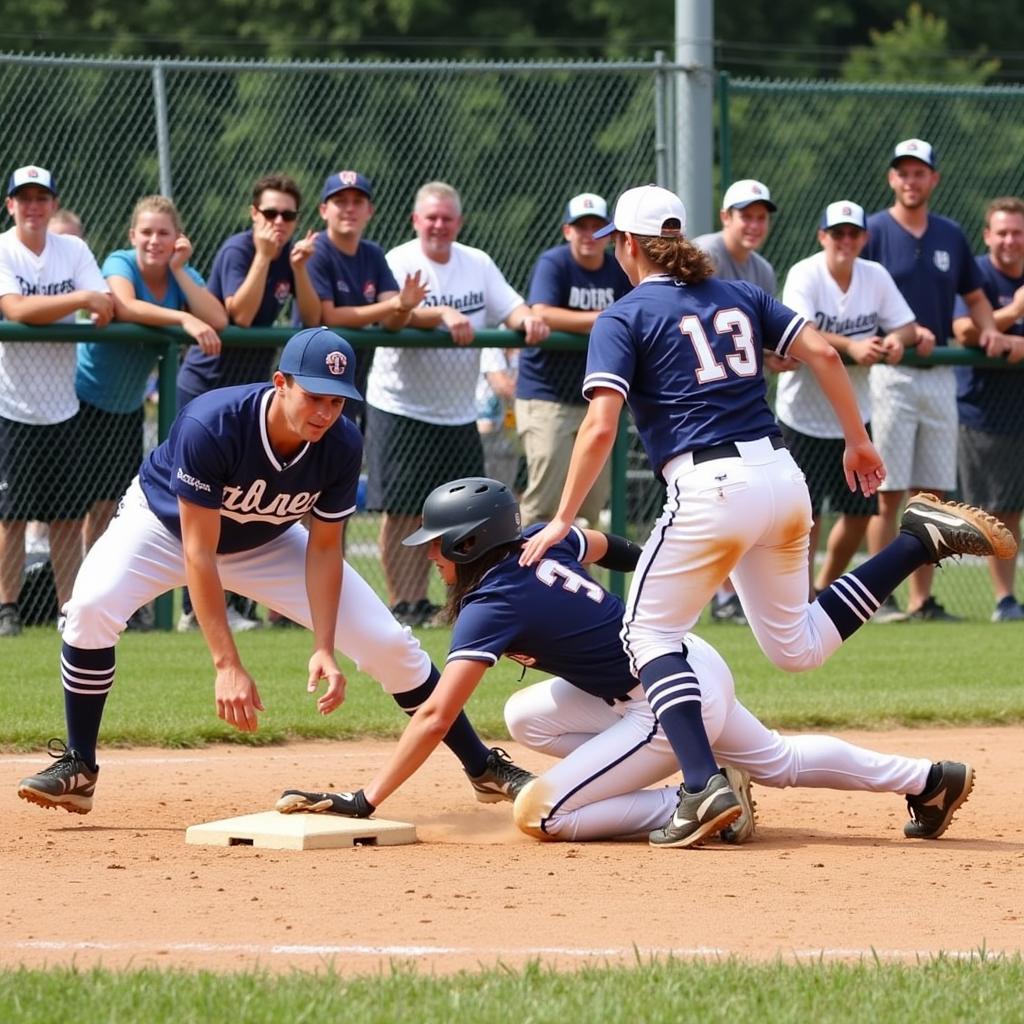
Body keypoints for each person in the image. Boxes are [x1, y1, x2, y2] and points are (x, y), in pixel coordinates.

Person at [518, 183, 1016, 846]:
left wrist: (560, 518)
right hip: (781, 478)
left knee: (646, 635)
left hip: (709, 486)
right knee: (799, 646)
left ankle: (700, 788)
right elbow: (821, 352)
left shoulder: (625, 314)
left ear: (626, 246)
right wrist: (858, 440)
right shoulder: (738, 292)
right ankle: (915, 544)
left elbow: (601, 426)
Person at [277, 477, 976, 848]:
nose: (430, 553)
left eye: (439, 543)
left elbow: (435, 712)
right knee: (528, 714)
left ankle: (694, 802)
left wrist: (366, 800)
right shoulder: (538, 545)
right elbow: (605, 545)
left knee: (538, 815)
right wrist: (660, 581)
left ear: (465, 548)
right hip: (684, 666)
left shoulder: (491, 604)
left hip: (663, 697)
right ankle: (929, 779)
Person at [16, 328, 533, 814]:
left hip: (269, 539)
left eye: (337, 400)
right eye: (315, 395)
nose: (326, 412)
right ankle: (79, 765)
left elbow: (326, 550)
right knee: (89, 608)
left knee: (390, 645)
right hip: (165, 529)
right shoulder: (212, 423)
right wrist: (227, 664)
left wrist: (325, 647)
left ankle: (483, 767)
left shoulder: (341, 444)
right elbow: (201, 555)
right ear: (280, 383)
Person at [364, 181, 549, 628]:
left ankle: (452, 603)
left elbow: (512, 307)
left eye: (447, 218)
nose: (439, 226)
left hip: (459, 411)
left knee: (462, 514)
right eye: (431, 217)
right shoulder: (400, 260)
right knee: (404, 510)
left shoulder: (477, 263)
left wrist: (529, 321)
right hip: (401, 405)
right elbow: (392, 315)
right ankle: (404, 603)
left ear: (458, 223)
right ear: (415, 220)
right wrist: (442, 314)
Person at [863, 139, 1011, 622]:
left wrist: (988, 329)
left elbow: (974, 295)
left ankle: (922, 600)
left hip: (940, 373)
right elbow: (859, 299)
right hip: (891, 372)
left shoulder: (950, 233)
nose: (911, 180)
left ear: (934, 180)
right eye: (903, 172)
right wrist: (896, 334)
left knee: (931, 497)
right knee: (889, 492)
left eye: (919, 172)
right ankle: (878, 598)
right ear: (891, 179)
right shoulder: (874, 231)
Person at [175, 173, 319, 633]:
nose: (279, 222)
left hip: (250, 394)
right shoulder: (240, 250)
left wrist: (297, 269)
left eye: (288, 215)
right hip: (207, 388)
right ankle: (192, 608)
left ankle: (237, 603)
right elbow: (239, 312)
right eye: (270, 213)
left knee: (243, 497)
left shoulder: (292, 258)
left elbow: (312, 321)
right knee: (201, 499)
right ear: (254, 214)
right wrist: (263, 255)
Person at [777, 201, 916, 595]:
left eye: (853, 233)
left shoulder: (874, 276)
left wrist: (894, 340)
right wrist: (853, 346)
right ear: (823, 237)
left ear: (864, 238)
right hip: (801, 416)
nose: (846, 240)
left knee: (858, 513)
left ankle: (824, 588)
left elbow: (906, 327)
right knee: (804, 516)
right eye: (837, 233)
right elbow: (801, 330)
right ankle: (800, 597)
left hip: (853, 418)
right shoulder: (805, 273)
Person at [0, 165, 113, 638]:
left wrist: (82, 297)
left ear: (53, 204)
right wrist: (78, 298)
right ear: (10, 205)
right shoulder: (4, 249)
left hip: (63, 407)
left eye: (41, 197)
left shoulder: (74, 250)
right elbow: (16, 309)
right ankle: (7, 609)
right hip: (12, 406)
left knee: (69, 516)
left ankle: (70, 607)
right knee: (11, 518)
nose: (32, 206)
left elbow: (104, 306)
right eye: (23, 198)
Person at [83, 195, 228, 550]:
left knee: (116, 506)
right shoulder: (120, 261)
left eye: (164, 233)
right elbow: (127, 306)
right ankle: (74, 595)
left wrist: (179, 269)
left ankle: (120, 598)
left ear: (178, 238)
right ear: (132, 235)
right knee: (83, 508)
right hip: (85, 399)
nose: (154, 240)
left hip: (128, 407)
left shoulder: (182, 274)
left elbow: (219, 318)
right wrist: (182, 318)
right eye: (146, 232)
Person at [517, 193, 632, 527]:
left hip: (597, 399)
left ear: (610, 235)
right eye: (581, 226)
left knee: (589, 511)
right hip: (547, 395)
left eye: (598, 227)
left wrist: (604, 319)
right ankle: (521, 575)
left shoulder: (617, 269)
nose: (589, 235)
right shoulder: (554, 263)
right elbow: (542, 312)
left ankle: (577, 579)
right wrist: (606, 317)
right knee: (544, 504)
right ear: (567, 231)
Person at [693, 179, 779, 623]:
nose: (754, 223)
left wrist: (774, 354)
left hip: (739, 403)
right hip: (700, 402)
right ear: (725, 217)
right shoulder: (704, 254)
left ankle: (733, 596)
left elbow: (758, 340)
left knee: (737, 502)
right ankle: (720, 595)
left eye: (761, 215)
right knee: (715, 503)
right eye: (745, 214)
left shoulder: (761, 270)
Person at [306, 170, 428, 423]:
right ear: (323, 210)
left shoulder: (372, 253)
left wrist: (403, 308)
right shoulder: (316, 250)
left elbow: (392, 323)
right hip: (313, 377)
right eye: (340, 201)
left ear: (369, 211)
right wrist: (395, 304)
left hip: (354, 376)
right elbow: (330, 316)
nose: (350, 209)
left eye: (358, 202)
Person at [951, 196, 1024, 622]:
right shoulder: (975, 273)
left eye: (1017, 232)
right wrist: (1013, 312)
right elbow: (961, 329)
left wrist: (1016, 343)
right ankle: (1004, 599)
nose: (1010, 241)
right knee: (998, 509)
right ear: (987, 235)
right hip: (985, 411)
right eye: (1003, 232)